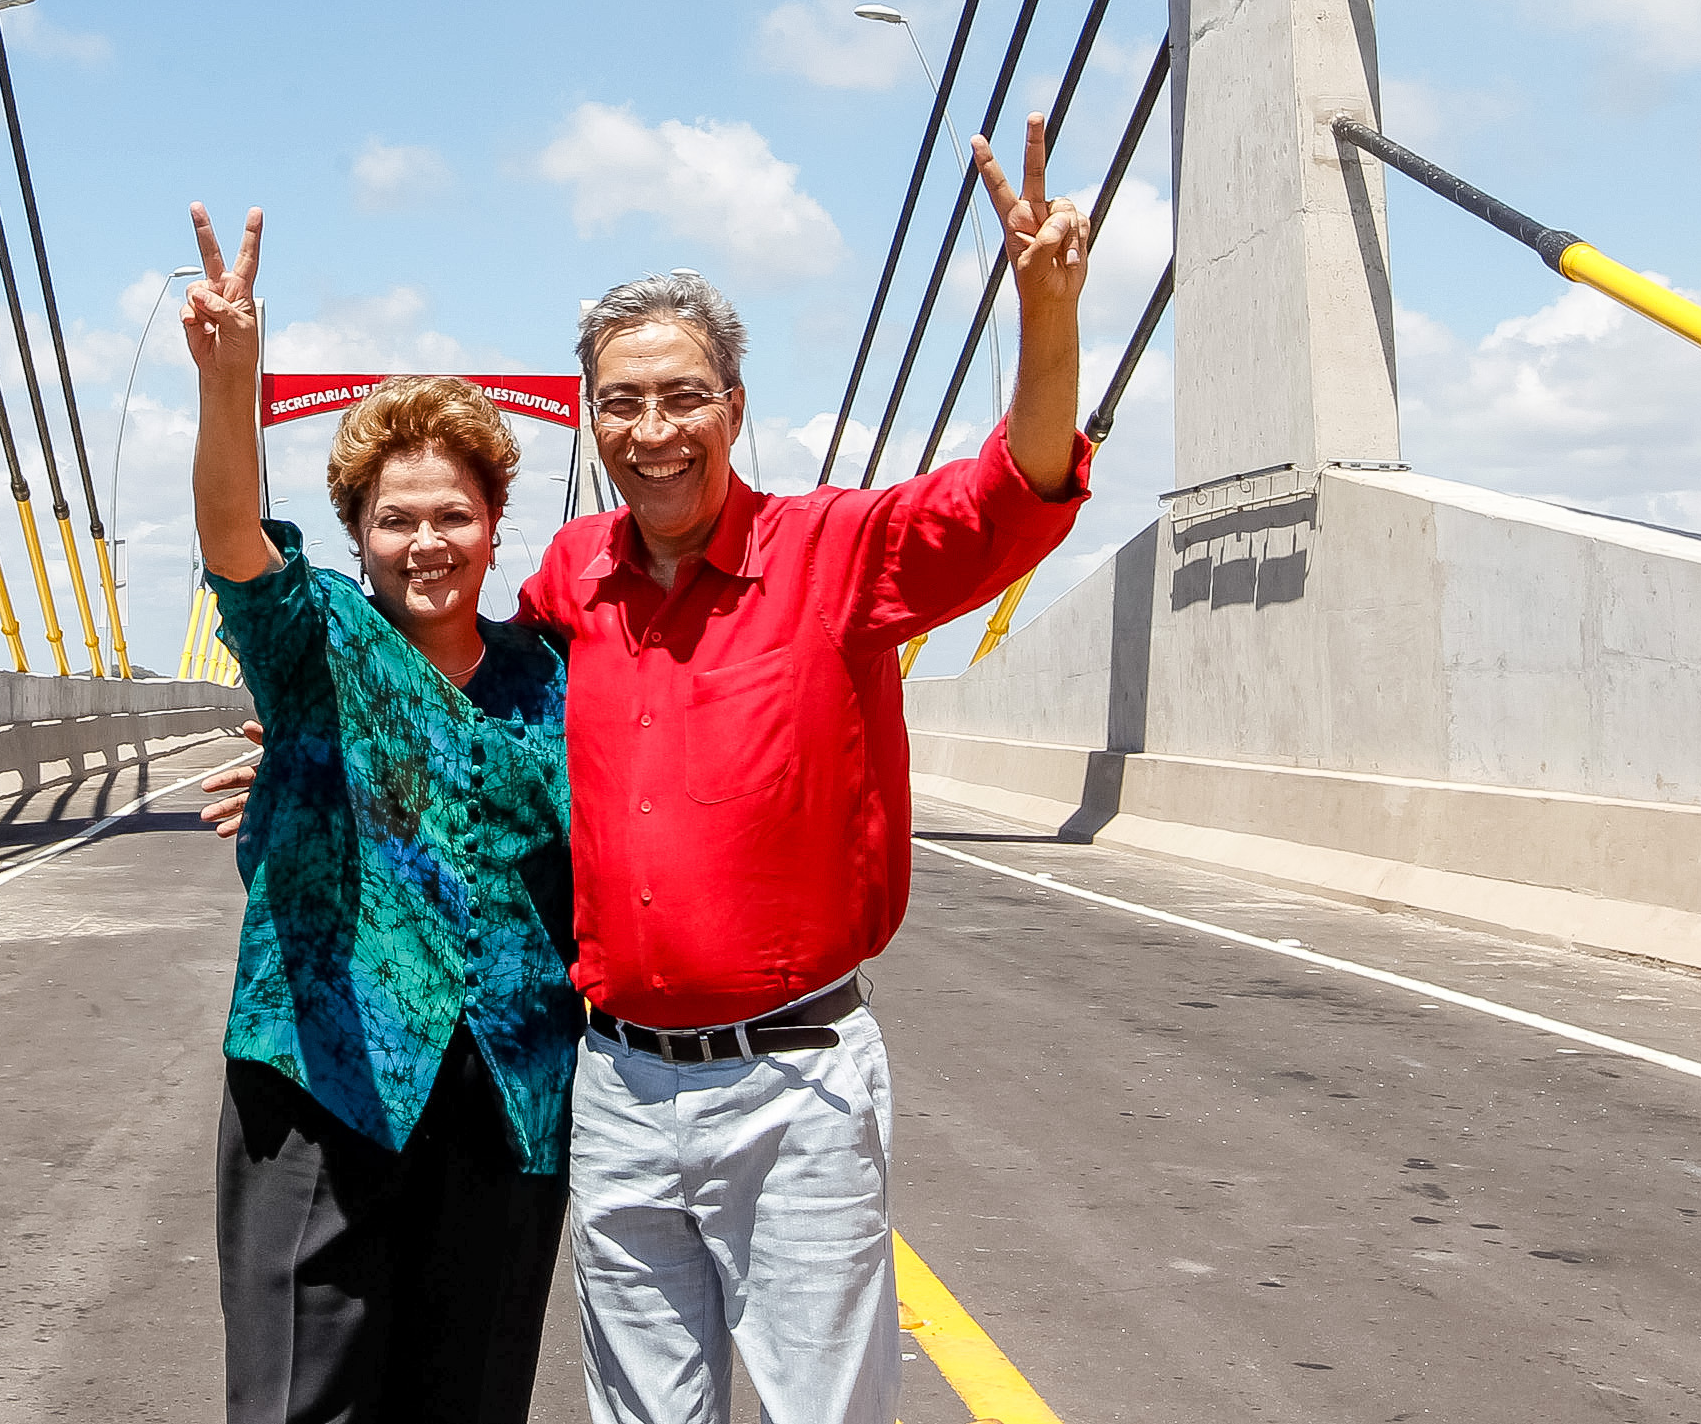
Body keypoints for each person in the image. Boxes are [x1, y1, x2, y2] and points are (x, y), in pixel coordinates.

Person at [205, 123, 1095, 1424]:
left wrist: (1046, 318)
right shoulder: (574, 582)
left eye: (682, 396)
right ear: (589, 419)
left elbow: (1008, 495)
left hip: (791, 1073)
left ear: (734, 407)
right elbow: (438, 704)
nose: (653, 427)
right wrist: (312, 755)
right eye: (620, 401)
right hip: (611, 1084)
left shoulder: (837, 554)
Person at [183, 201, 583, 1424]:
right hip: (324, 1084)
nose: (426, 541)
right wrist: (229, 381)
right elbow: (233, 541)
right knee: (301, 1406)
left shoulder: (553, 675)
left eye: (451, 514)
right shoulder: (319, 645)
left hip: (505, 1096)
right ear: (356, 534)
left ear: (495, 526)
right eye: (396, 519)